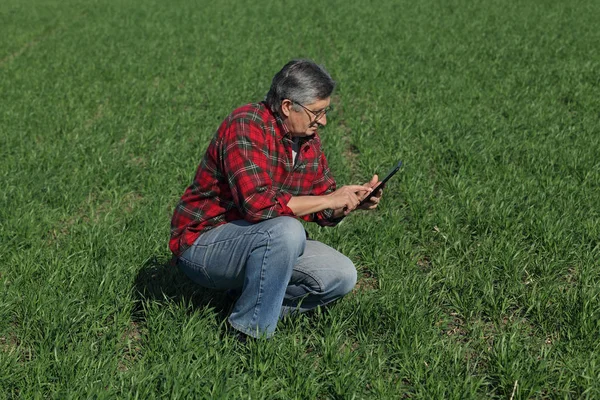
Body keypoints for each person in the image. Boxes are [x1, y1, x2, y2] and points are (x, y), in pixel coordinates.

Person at [169, 59, 383, 339]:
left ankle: (249, 304)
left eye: (326, 111)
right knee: (287, 229)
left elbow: (321, 203)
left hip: (261, 241)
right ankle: (248, 334)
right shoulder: (245, 124)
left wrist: (349, 201)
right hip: (203, 245)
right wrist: (330, 199)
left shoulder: (307, 140)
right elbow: (259, 205)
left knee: (342, 275)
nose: (324, 121)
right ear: (286, 106)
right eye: (317, 112)